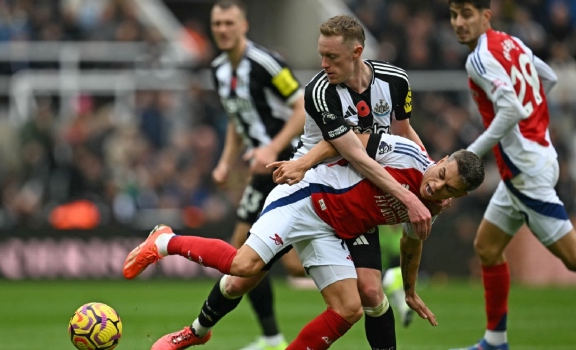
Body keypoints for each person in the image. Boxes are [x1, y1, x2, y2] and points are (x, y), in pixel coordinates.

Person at [148, 14, 435, 350]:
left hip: (352, 198)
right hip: (307, 190)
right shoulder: (319, 91)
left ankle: (262, 337)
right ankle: (197, 326)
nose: (324, 64)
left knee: (365, 296)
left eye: (332, 57)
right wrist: (239, 160)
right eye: (321, 55)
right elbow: (350, 151)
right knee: (244, 272)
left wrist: (427, 169)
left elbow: (402, 139)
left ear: (357, 52)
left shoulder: (392, 81)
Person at [123, 132, 485, 350]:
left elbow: (411, 242)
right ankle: (165, 241)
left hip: (334, 230)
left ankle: (197, 333)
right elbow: (343, 142)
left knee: (349, 308)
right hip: (308, 198)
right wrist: (301, 164)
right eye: (440, 174)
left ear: (460, 195)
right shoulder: (405, 154)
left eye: (449, 187)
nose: (436, 185)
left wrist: (408, 290)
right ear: (440, 160)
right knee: (243, 269)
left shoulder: (434, 205)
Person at [141, 1, 306, 349]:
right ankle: (272, 337)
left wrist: (272, 149)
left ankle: (372, 279)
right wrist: (225, 161)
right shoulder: (218, 69)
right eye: (217, 24)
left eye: (229, 23)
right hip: (263, 173)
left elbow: (302, 106)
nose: (223, 30)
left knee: (262, 261)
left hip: (289, 165)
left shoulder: (265, 63)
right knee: (248, 258)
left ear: (244, 25)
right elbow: (236, 117)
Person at [446, 1, 576, 350]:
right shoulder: (511, 42)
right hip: (536, 157)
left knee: (573, 259)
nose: (459, 23)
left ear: (486, 16)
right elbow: (545, 77)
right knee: (487, 248)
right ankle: (495, 341)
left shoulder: (478, 58)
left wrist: (470, 152)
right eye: (454, 15)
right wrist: (531, 124)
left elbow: (511, 109)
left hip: (525, 172)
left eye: (467, 15)